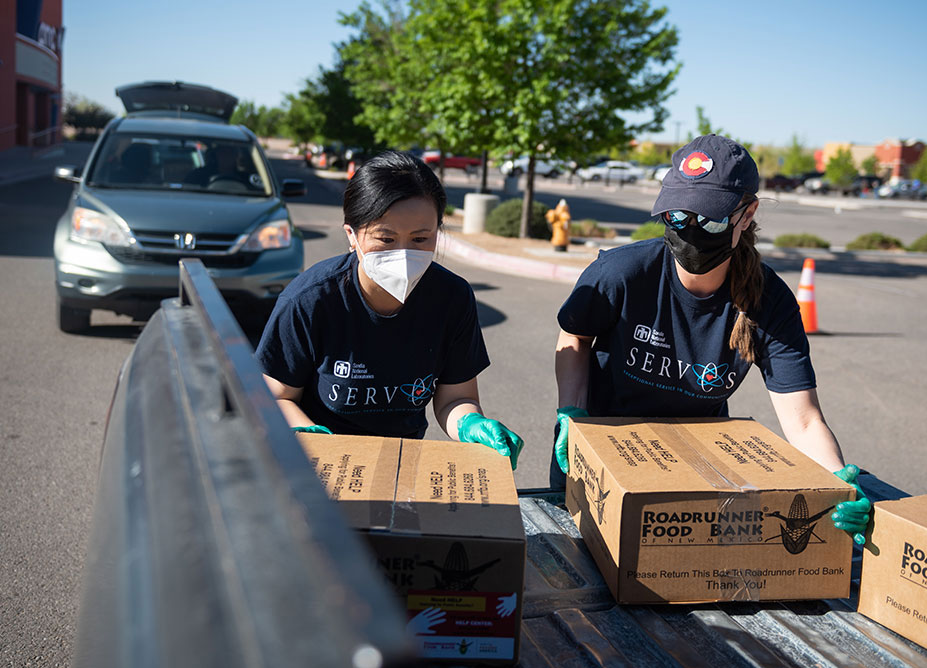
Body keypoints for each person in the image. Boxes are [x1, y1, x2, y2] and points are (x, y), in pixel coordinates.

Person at [551, 134, 871, 544]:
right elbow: (574, 337)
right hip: (602, 452)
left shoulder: (768, 302)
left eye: (711, 219)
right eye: (677, 216)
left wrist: (836, 485)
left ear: (747, 213)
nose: (690, 230)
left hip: (695, 467)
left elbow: (805, 420)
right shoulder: (622, 274)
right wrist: (571, 415)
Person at [255, 150, 523, 467]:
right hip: (320, 464)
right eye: (386, 238)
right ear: (351, 236)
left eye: (421, 238)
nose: (404, 254)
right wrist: (309, 437)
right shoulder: (310, 301)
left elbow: (455, 397)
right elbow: (277, 395)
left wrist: (471, 425)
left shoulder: (452, 298)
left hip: (402, 462)